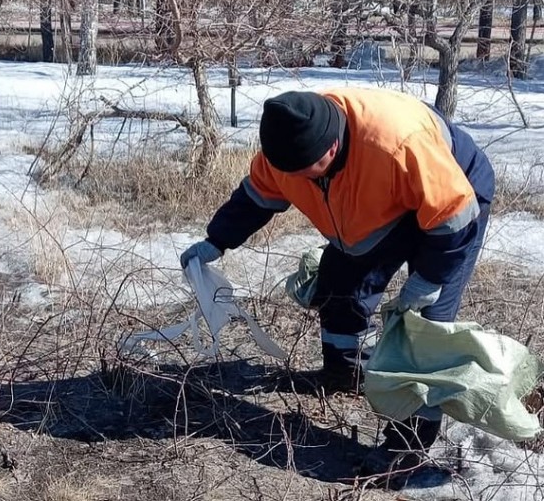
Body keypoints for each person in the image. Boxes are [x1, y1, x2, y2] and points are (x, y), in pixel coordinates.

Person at [179, 86, 495, 486]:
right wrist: (216, 241)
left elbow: (454, 218)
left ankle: (407, 449)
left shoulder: (397, 143)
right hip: (378, 205)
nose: (299, 180)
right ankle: (344, 373)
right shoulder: (285, 152)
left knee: (424, 330)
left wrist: (430, 278)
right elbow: (255, 198)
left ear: (332, 145)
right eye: (291, 173)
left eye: (309, 169)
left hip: (453, 197)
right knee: (340, 279)